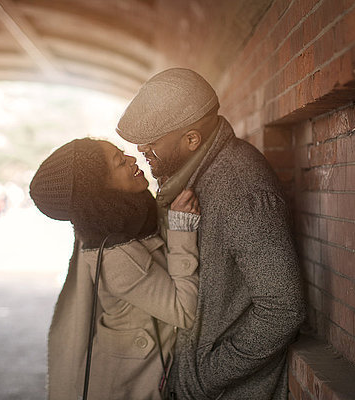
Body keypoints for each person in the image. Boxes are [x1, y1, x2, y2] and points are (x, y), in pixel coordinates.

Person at [116, 68, 306, 400]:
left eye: (153, 139)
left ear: (192, 140)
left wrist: (202, 379)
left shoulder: (240, 189)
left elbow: (282, 307)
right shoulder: (190, 177)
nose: (141, 147)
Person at [30, 138, 201, 400]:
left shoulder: (129, 218)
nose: (132, 160)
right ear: (100, 189)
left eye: (123, 153)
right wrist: (181, 229)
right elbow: (184, 311)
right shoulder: (115, 254)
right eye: (120, 162)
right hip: (128, 385)